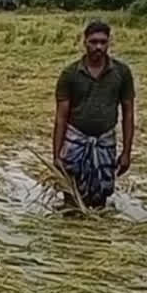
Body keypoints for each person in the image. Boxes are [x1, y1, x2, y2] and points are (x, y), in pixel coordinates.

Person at [52, 20, 136, 209]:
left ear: (109, 43)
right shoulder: (70, 74)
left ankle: (97, 235)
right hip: (76, 140)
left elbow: (128, 113)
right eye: (93, 42)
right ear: (85, 42)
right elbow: (61, 117)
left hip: (105, 141)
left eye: (103, 42)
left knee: (101, 195)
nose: (98, 46)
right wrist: (56, 154)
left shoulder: (121, 73)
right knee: (71, 193)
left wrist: (126, 153)